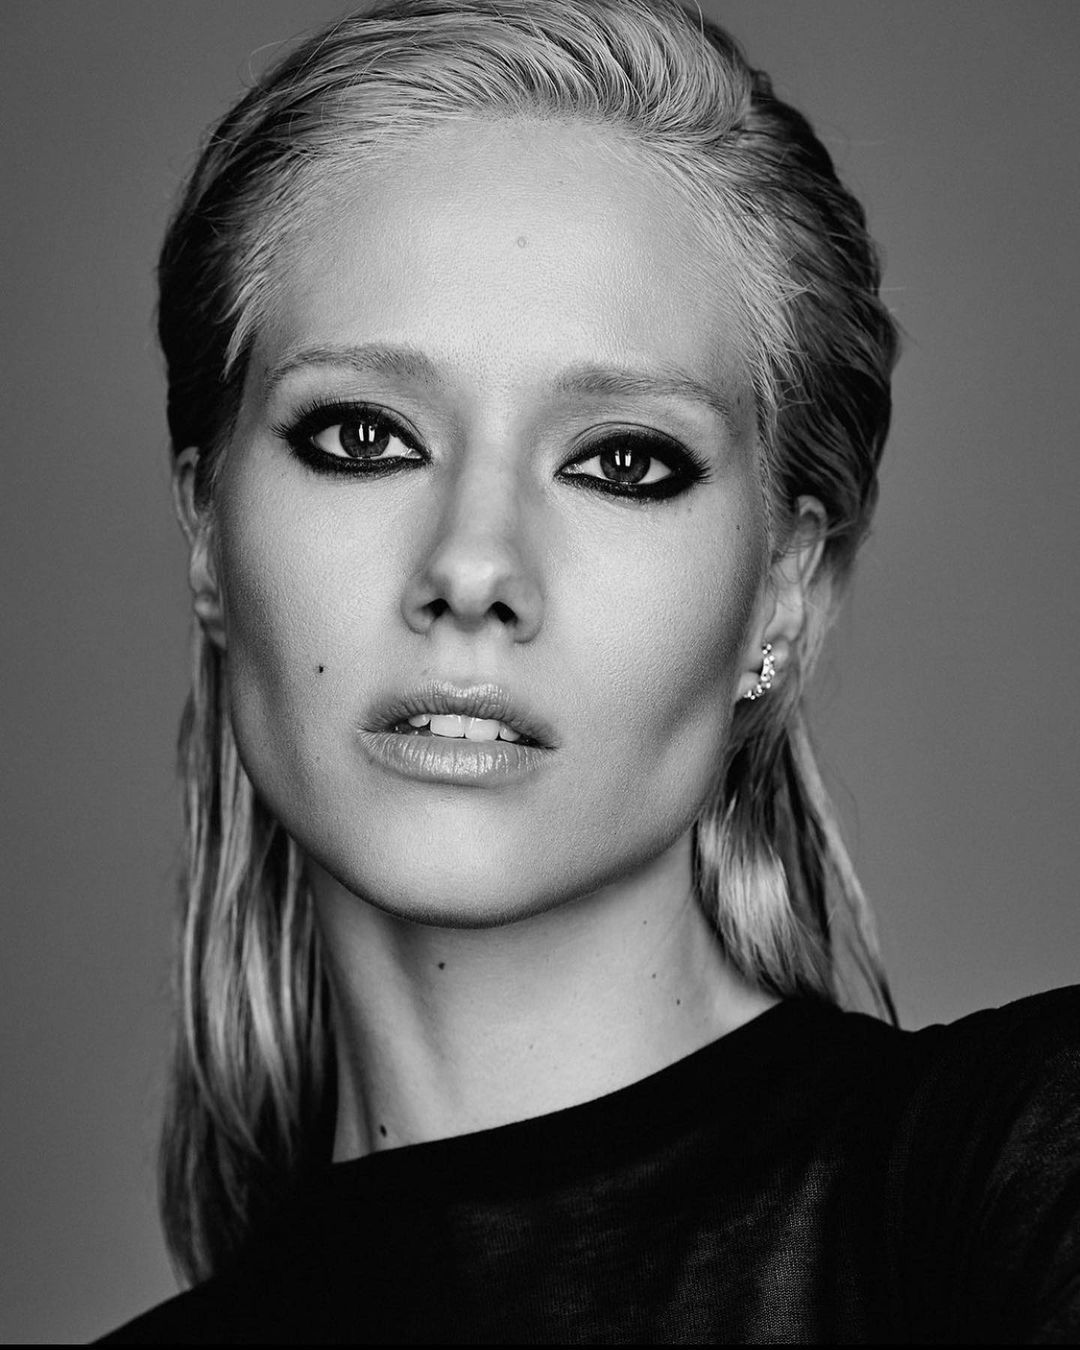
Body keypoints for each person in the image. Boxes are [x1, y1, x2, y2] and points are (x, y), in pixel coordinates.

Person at [99, 0, 1079, 1342]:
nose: (473, 565)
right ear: (208, 532)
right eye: (365, 435)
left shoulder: (1019, 1178)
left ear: (782, 592)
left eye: (622, 460)